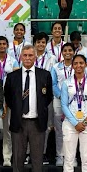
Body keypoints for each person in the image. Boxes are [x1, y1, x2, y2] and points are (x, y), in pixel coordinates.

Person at [5, 45, 53, 172]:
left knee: (37, 157)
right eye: (24, 55)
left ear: (35, 57)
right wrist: (20, 109)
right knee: (18, 157)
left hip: (37, 122)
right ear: (20, 57)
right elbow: (9, 98)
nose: (27, 58)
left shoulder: (44, 75)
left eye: (30, 55)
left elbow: (48, 97)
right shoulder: (12, 77)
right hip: (19, 122)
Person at [0, 36, 20, 166]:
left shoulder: (13, 61)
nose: (2, 46)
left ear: (7, 46)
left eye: (4, 44)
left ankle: (7, 156)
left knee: (7, 129)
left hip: (8, 97)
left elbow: (16, 80)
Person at [33, 32, 57, 163]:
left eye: (43, 42)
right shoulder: (30, 56)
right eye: (38, 42)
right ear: (35, 43)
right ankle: (29, 153)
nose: (41, 44)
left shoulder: (52, 58)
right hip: (31, 94)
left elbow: (53, 77)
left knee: (46, 125)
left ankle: (42, 152)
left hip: (46, 94)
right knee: (30, 124)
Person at [51, 43, 75, 166]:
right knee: (59, 130)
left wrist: (71, 97)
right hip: (59, 100)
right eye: (65, 50)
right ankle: (60, 155)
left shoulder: (77, 66)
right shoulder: (55, 67)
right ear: (61, 52)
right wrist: (61, 95)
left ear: (73, 52)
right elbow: (53, 84)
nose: (67, 52)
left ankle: (72, 156)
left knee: (73, 129)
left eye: (70, 50)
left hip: (75, 101)